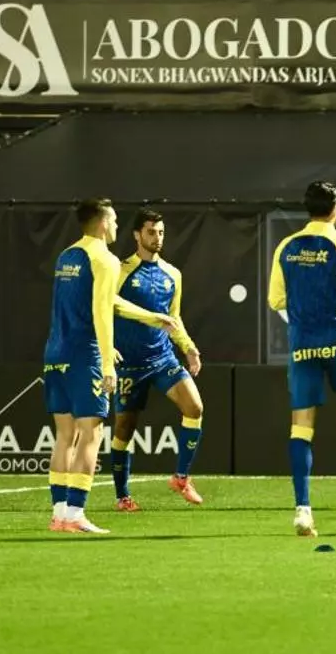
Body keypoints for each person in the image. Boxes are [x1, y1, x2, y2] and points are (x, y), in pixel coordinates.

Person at [43, 200, 175, 534]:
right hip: (84, 355)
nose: (117, 226)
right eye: (114, 220)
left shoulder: (67, 256)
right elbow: (102, 313)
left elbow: (103, 301)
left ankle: (60, 514)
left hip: (55, 353)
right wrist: (106, 361)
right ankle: (75, 512)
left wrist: (151, 317)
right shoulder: (105, 259)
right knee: (90, 434)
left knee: (64, 435)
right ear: (103, 223)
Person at [267, 181, 336, 538]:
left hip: (302, 346)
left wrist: (305, 308)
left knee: (301, 426)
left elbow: (275, 300)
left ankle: (302, 510)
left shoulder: (286, 246)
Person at [109, 208, 205, 512]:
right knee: (124, 430)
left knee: (195, 408)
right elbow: (106, 308)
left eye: (161, 232)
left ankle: (181, 477)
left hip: (163, 359)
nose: (157, 237)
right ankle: (122, 496)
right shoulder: (120, 271)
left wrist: (188, 347)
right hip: (128, 364)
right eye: (151, 232)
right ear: (137, 234)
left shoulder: (172, 274)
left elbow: (173, 318)